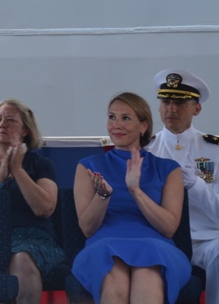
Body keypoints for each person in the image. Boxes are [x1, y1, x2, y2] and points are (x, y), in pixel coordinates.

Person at [72, 91, 191, 304]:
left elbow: (169, 227)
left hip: (156, 245)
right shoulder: (88, 166)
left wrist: (135, 190)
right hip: (104, 244)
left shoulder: (169, 169)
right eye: (112, 117)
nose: (116, 124)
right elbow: (87, 229)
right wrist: (103, 196)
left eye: (125, 118)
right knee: (115, 283)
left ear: (143, 126)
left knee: (147, 281)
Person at [0, 98, 64, 304]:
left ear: (25, 130)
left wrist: (18, 170)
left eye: (10, 120)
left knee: (21, 257)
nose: (2, 124)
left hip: (35, 240)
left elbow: (45, 209)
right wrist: (0, 178)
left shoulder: (41, 165)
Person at [146, 69, 219, 304]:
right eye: (166, 101)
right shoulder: (146, 150)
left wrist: (196, 186)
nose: (171, 109)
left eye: (180, 102)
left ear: (196, 109)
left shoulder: (214, 150)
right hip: (159, 237)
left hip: (204, 239)